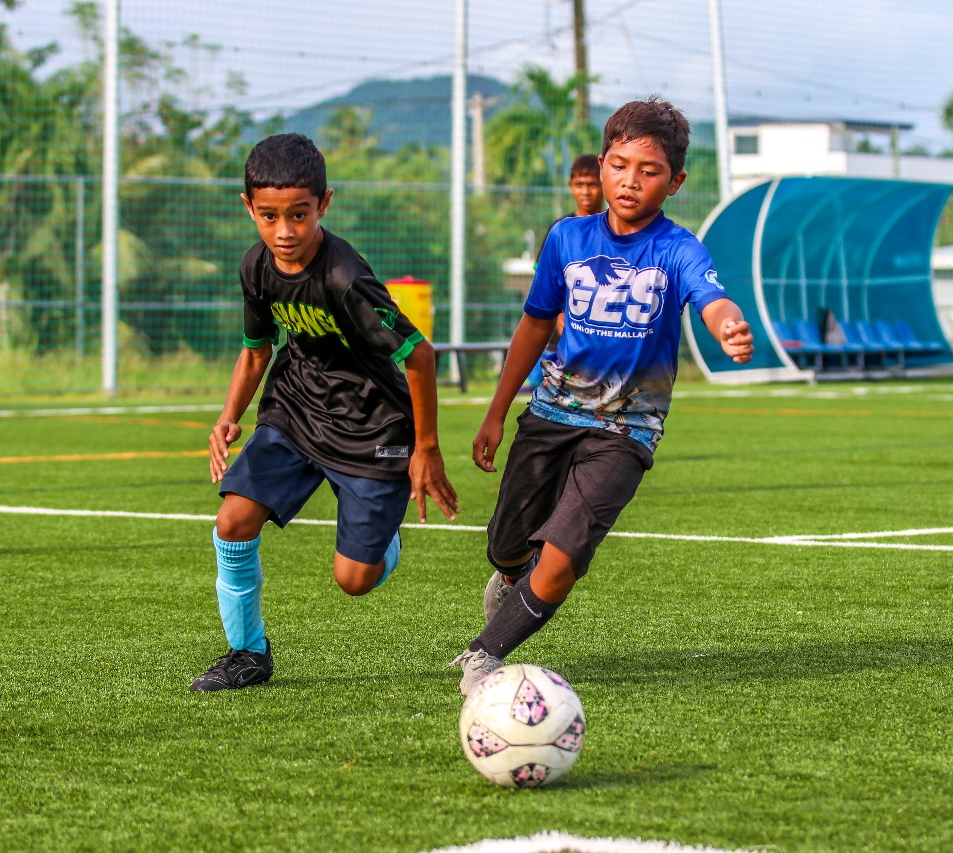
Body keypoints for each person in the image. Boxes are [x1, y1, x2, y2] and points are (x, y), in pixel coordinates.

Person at [449, 97, 755, 696]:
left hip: (626, 429)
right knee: (508, 547)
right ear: (603, 164)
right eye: (619, 165)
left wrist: (728, 326)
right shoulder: (567, 238)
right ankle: (513, 583)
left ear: (675, 181)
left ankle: (482, 661)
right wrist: (494, 412)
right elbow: (535, 325)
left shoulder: (679, 248)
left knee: (560, 557)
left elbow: (712, 297)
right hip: (550, 413)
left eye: (649, 170)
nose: (630, 181)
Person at [192, 133, 459, 692]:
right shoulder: (257, 268)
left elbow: (421, 357)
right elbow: (256, 350)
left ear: (324, 205)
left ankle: (381, 531)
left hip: (372, 425)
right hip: (296, 408)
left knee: (355, 581)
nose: (284, 231)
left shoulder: (345, 278)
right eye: (269, 216)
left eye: (299, 215)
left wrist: (426, 448)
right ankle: (247, 653)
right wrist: (227, 416)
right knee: (233, 521)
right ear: (249, 208)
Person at [522, 154, 605, 393]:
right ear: (571, 187)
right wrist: (558, 316)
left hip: (600, 335)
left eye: (592, 184)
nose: (586, 191)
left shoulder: (615, 228)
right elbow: (544, 283)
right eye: (580, 185)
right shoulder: (560, 230)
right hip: (558, 337)